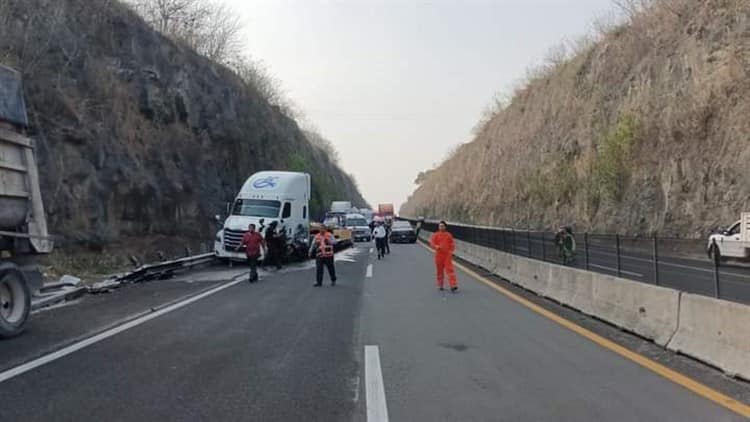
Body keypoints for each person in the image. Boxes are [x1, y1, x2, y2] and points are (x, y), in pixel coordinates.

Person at [430, 221, 458, 292]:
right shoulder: (435, 235)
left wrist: (451, 251)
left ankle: (453, 285)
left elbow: (452, 244)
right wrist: (436, 246)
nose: (441, 227)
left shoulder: (449, 235)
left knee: (450, 270)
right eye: (440, 226)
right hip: (439, 255)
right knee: (440, 271)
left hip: (447, 255)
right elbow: (432, 243)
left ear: (445, 227)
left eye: (442, 226)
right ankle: (440, 284)